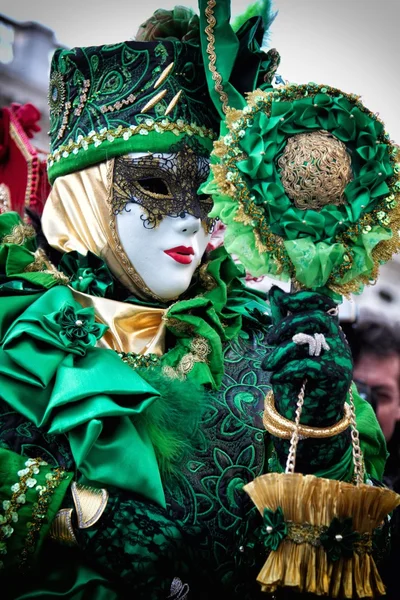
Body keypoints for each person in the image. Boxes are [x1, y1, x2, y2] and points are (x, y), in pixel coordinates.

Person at [0, 2, 391, 599]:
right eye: (156, 185)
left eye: (204, 196)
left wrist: (319, 433)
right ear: (86, 193)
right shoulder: (14, 330)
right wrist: (68, 512)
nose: (189, 222)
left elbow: (342, 563)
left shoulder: (263, 348)